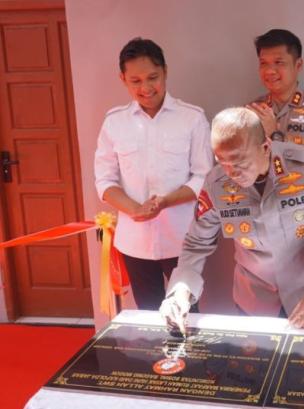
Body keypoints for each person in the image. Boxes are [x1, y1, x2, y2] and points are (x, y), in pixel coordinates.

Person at [160, 107, 304, 331]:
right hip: (254, 303)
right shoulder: (215, 183)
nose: (232, 173)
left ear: (265, 147)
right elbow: (196, 243)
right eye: (222, 162)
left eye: (240, 162)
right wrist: (181, 290)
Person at [94, 38, 214, 311]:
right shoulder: (115, 122)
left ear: (165, 72)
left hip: (182, 239)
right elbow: (104, 180)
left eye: (152, 78)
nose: (146, 88)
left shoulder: (191, 118)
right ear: (123, 79)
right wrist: (134, 208)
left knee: (186, 313)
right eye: (135, 81)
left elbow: (203, 177)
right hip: (134, 242)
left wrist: (165, 202)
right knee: (147, 316)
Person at [247, 29, 304, 171]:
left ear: (298, 65)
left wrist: (274, 135)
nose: (270, 71)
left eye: (279, 62)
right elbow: (242, 164)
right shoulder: (251, 111)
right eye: (263, 63)